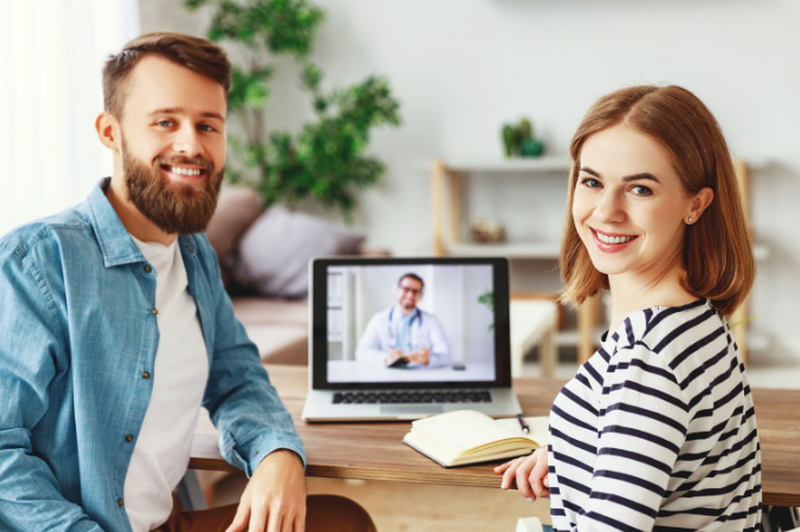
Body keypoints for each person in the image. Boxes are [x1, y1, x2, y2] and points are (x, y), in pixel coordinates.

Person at [0, 32, 375, 532]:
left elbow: (236, 376)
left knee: (340, 520)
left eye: (208, 125)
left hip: (163, 523)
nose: (191, 145)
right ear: (110, 132)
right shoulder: (37, 262)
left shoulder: (193, 255)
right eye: (165, 122)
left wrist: (275, 455)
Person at [495, 85, 761, 531]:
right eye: (592, 181)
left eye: (640, 189)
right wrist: (572, 449)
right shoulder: (696, 320)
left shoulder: (649, 358)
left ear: (696, 204)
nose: (606, 211)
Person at [355, 273, 452, 368]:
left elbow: (446, 354)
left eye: (416, 292)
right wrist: (385, 358)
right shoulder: (379, 319)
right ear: (396, 290)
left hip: (420, 376)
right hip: (386, 377)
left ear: (420, 296)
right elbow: (361, 352)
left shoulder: (431, 320)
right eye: (406, 289)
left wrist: (428, 359)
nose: (410, 295)